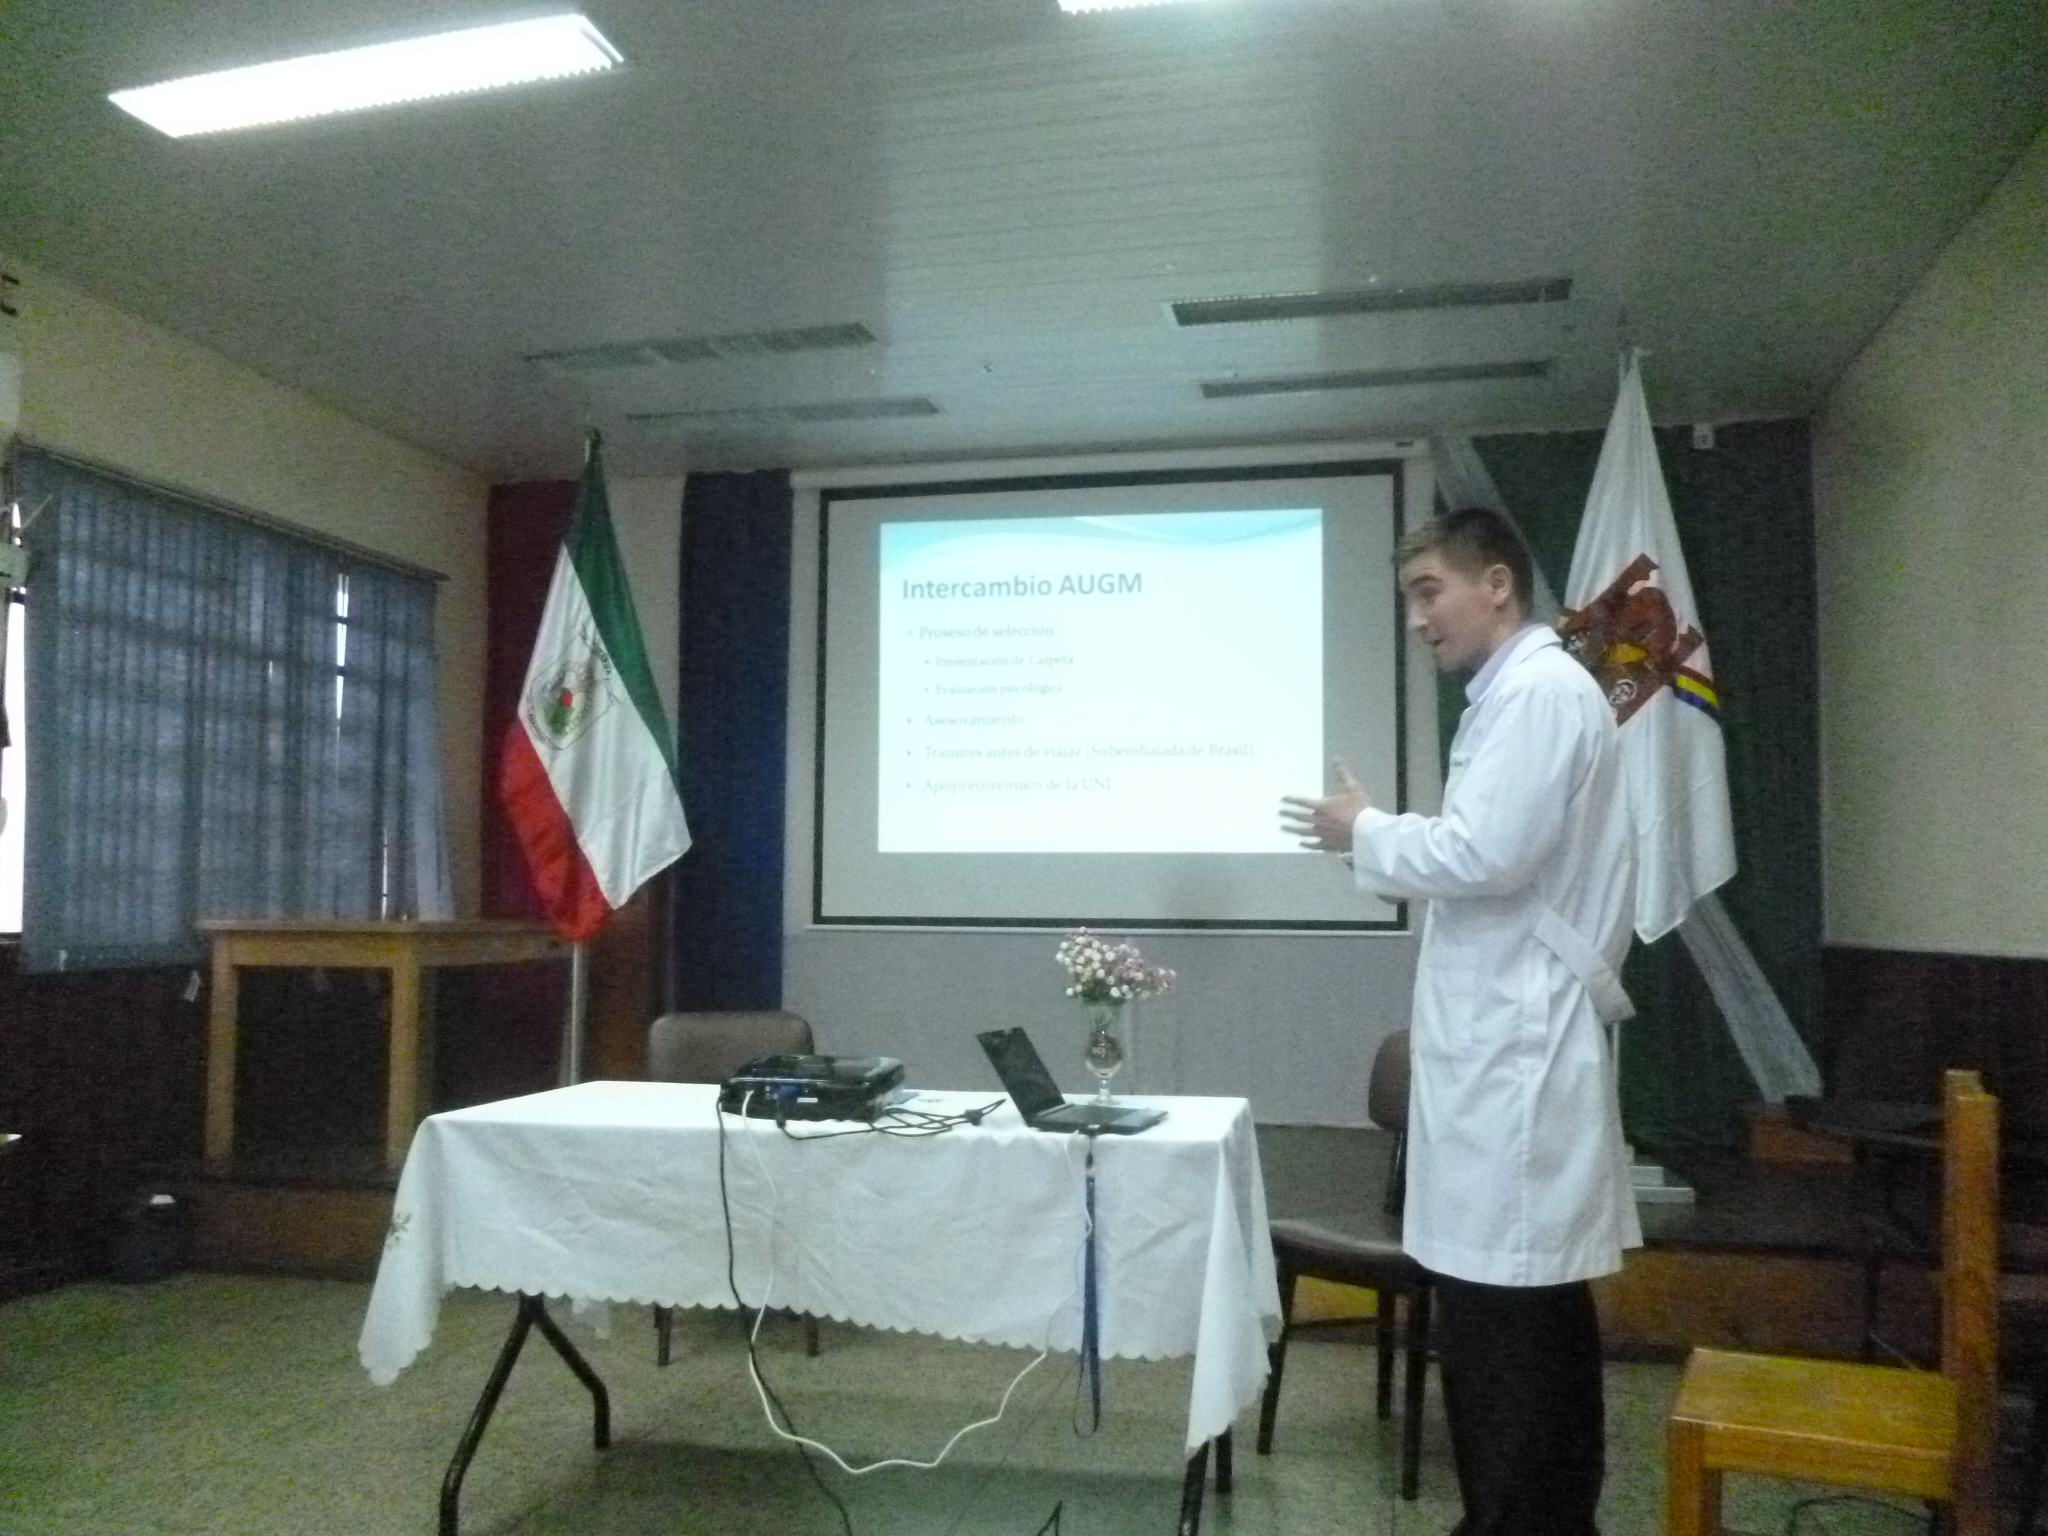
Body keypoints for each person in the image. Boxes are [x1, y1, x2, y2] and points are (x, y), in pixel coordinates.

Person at [1279, 507, 1638, 1536]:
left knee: (1510, 1327)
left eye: (1428, 591)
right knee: (1516, 1319)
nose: (1415, 618)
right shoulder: (1518, 695)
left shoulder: (1538, 694)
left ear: (1497, 583)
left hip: (1517, 1053)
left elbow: (1486, 855)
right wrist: (1370, 837)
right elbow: (1486, 854)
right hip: (1503, 1045)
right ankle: (1533, 1520)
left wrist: (1364, 828)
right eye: (1409, 597)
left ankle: (1518, 1522)